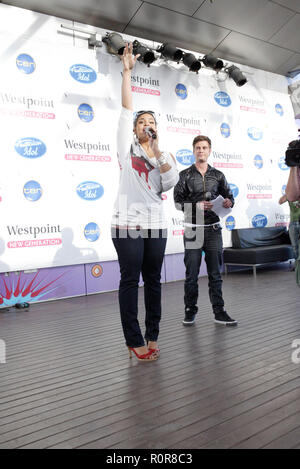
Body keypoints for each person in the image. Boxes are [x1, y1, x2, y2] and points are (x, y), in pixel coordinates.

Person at [111, 43, 179, 361]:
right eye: (141, 122)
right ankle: (133, 340)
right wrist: (127, 73)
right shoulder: (127, 151)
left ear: (156, 128)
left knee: (153, 280)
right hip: (126, 223)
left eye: (150, 121)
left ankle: (152, 334)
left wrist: (158, 155)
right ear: (136, 129)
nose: (145, 124)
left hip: (155, 225)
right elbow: (126, 110)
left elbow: (170, 183)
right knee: (130, 279)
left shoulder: (163, 156)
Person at [174, 135, 237, 326]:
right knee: (191, 274)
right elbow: (177, 203)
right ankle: (190, 310)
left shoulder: (218, 175)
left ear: (209, 151)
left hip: (213, 229)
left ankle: (219, 312)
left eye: (204, 147)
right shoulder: (184, 175)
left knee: (215, 275)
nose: (201, 151)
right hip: (193, 230)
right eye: (198, 148)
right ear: (193, 151)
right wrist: (196, 205)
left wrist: (228, 202)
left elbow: (230, 198)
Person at [285, 166, 300, 286]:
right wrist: (293, 167)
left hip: (296, 223)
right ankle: (296, 264)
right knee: (295, 248)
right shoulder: (293, 191)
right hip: (294, 223)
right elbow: (289, 196)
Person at [278, 193, 300, 262]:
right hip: (293, 223)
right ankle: (297, 264)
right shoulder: (291, 193)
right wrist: (288, 193)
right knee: (294, 246)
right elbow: (280, 201)